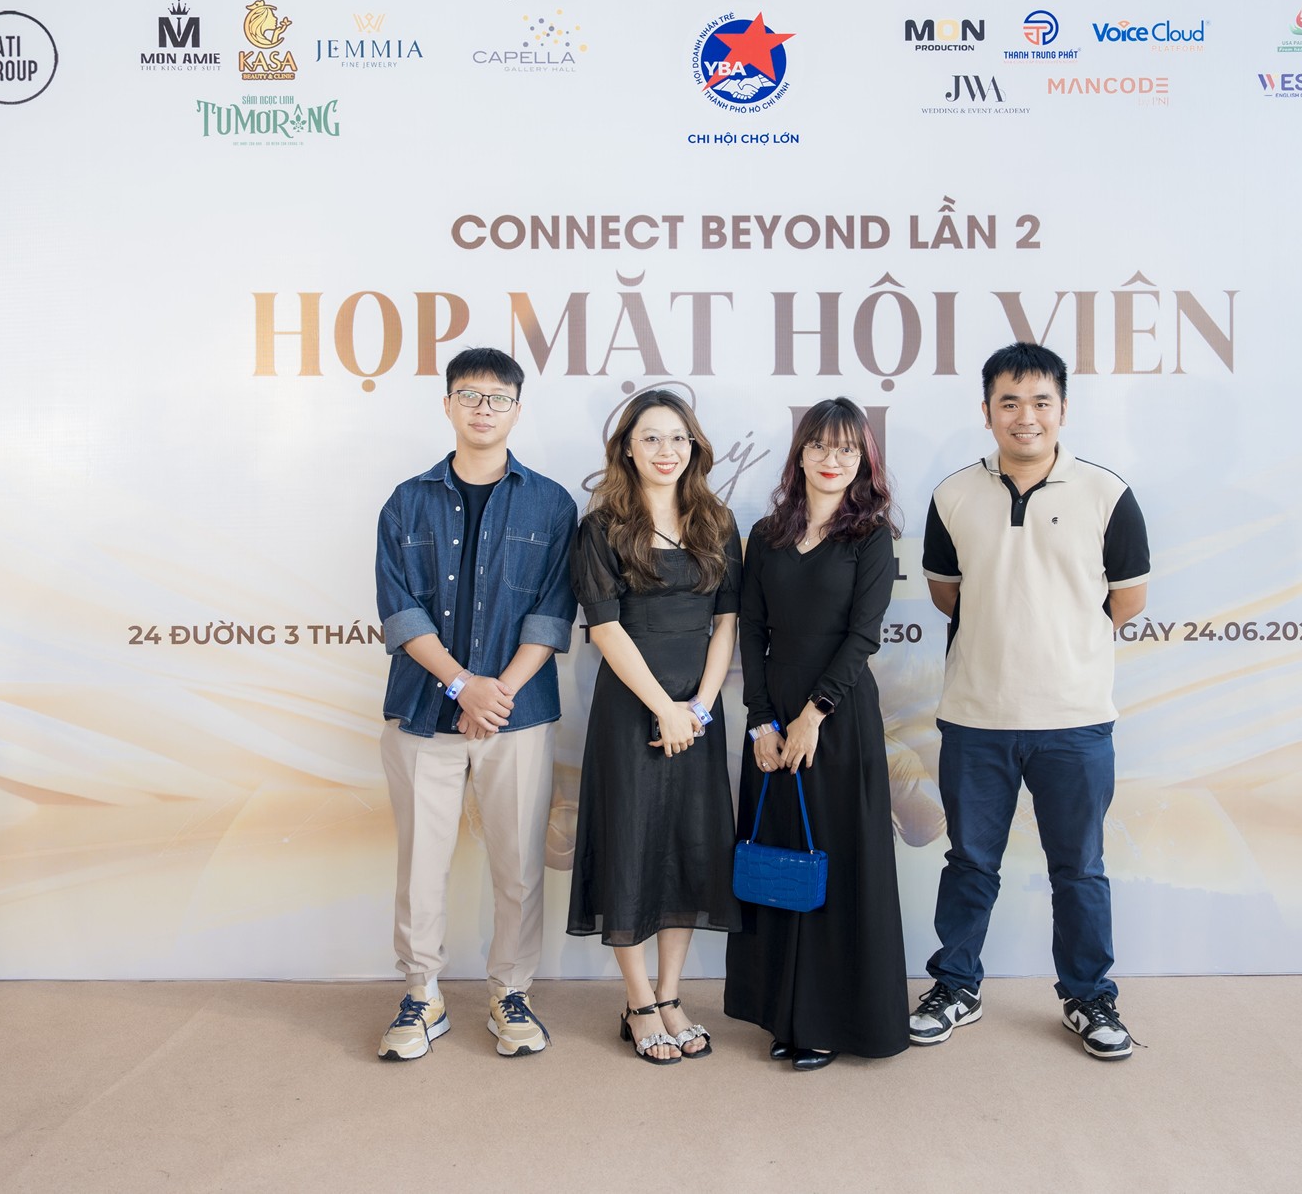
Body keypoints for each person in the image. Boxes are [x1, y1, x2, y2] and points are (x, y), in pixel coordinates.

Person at [909, 342, 1151, 1060]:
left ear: (1063, 409)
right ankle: (956, 987)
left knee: (1079, 869)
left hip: (1075, 721)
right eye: (1009, 402)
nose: (1026, 416)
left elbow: (1128, 601)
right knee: (969, 862)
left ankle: (1089, 997)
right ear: (986, 411)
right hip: (976, 717)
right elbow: (946, 592)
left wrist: (1061, 645)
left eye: (1041, 401)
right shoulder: (953, 495)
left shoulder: (1106, 494)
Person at [372, 347, 578, 1062]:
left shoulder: (551, 503)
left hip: (517, 715)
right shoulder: (406, 501)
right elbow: (400, 611)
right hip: (423, 711)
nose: (483, 408)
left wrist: (497, 694)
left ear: (517, 409)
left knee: (518, 866)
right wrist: (463, 684)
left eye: (497, 397)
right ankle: (421, 995)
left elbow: (552, 613)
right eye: (469, 394)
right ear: (448, 404)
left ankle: (510, 992)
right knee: (420, 865)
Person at [724, 398, 909, 1071]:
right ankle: (784, 1015)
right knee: (780, 864)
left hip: (839, 718)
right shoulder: (766, 534)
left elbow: (863, 636)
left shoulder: (872, 538)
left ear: (863, 460)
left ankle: (829, 1021)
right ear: (800, 453)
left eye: (848, 449)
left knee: (835, 862)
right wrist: (762, 721)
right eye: (821, 446)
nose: (833, 460)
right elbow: (751, 630)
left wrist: (813, 715)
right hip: (773, 718)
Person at [566, 389, 742, 1065]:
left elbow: (725, 623)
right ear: (627, 450)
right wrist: (664, 709)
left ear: (693, 447)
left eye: (678, 438)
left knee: (688, 849)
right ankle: (638, 1001)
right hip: (630, 710)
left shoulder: (717, 522)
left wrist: (698, 708)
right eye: (650, 438)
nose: (666, 451)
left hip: (698, 716)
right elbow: (606, 630)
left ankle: (671, 995)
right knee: (632, 845)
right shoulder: (603, 527)